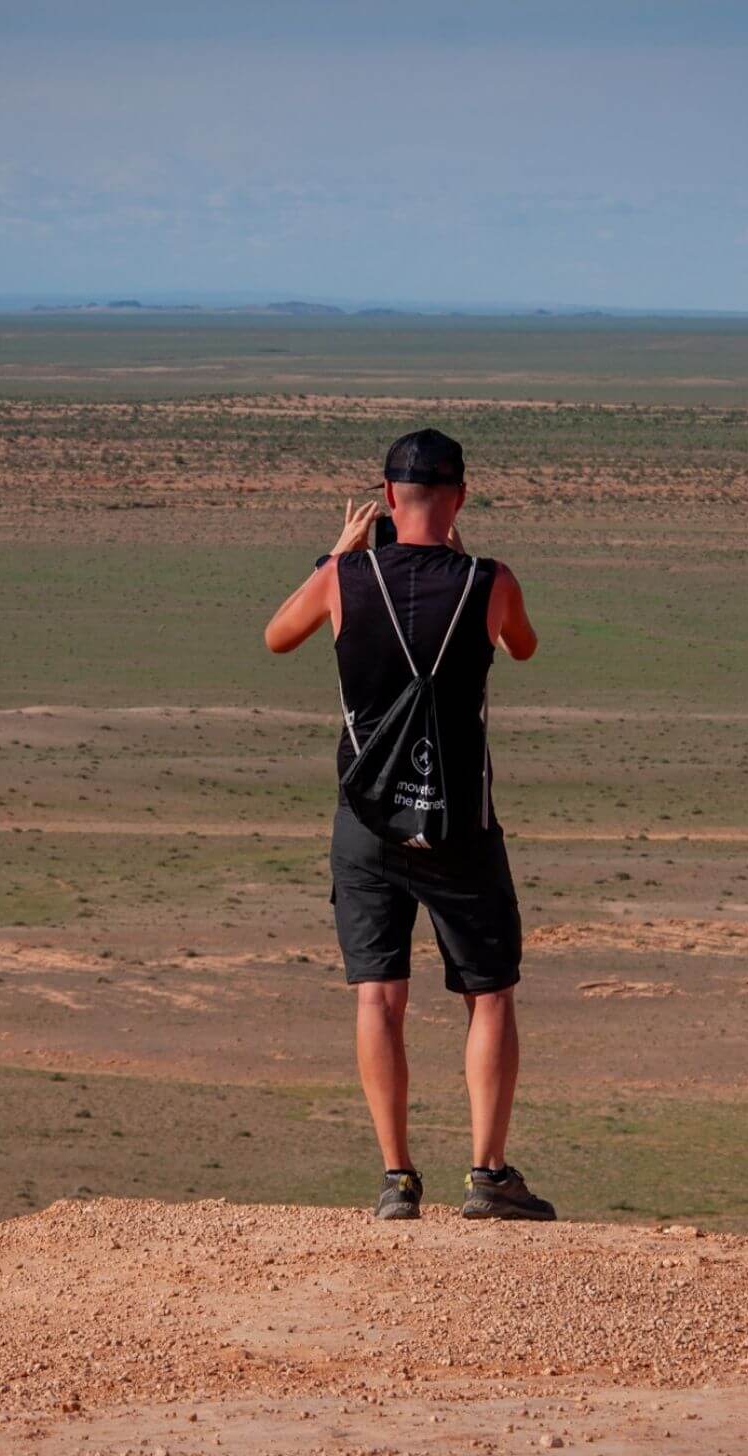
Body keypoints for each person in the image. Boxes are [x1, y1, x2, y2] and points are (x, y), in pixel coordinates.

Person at [263, 428, 555, 1223]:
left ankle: (397, 1179)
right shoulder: (491, 581)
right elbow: (524, 648)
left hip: (367, 818)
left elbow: (277, 635)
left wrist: (336, 555)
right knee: (489, 994)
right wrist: (469, 565)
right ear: (460, 498)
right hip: (460, 821)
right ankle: (488, 1176)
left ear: (388, 498)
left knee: (378, 995)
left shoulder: (343, 579)